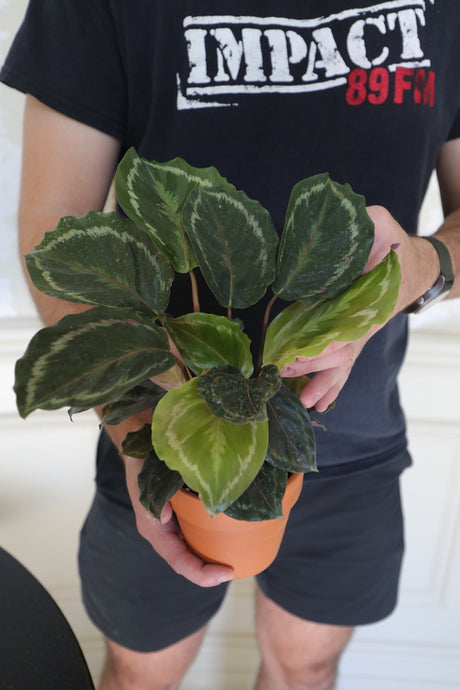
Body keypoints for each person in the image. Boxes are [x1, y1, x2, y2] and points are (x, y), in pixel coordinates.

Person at [2, 2, 460, 688]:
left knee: (305, 668)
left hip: (352, 448)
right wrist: (134, 425)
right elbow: (55, 228)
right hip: (165, 440)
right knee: (138, 675)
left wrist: (419, 270)